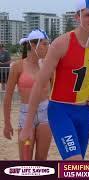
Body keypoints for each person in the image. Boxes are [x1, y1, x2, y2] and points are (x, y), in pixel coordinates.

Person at [19, 0, 89, 160]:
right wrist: (27, 125)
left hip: (84, 111)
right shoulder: (61, 43)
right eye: (88, 15)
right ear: (77, 16)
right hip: (60, 110)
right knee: (75, 162)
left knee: (77, 166)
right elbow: (39, 83)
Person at [3, 29, 52, 160]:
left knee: (42, 159)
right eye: (45, 44)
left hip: (45, 113)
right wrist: (7, 123)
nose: (48, 47)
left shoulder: (48, 66)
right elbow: (8, 96)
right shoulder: (18, 66)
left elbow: (57, 92)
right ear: (33, 45)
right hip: (25, 115)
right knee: (25, 159)